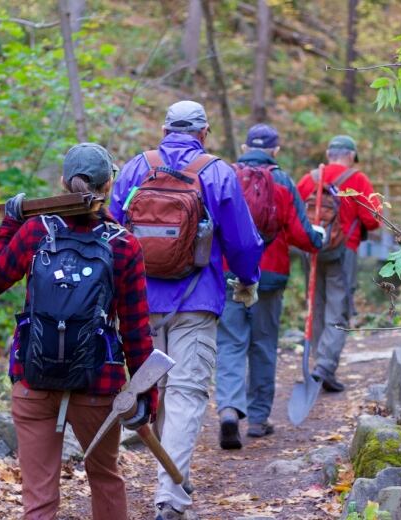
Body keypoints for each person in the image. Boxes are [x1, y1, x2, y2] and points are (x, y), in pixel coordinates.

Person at [0, 143, 158, 520]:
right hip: (97, 383)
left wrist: (10, 222)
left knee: (39, 497)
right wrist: (145, 396)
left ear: (62, 182)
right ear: (109, 186)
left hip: (33, 377)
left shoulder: (33, 232)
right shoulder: (123, 244)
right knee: (105, 478)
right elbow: (137, 329)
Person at [109, 100, 263, 520]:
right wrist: (248, 281)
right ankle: (171, 497)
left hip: (138, 305)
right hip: (197, 301)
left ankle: (172, 477)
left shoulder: (136, 168)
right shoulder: (216, 172)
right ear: (204, 133)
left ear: (164, 129)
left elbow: (110, 232)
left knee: (155, 393)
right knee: (187, 395)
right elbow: (244, 243)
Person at [215, 124, 325, 449]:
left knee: (231, 343)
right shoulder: (283, 181)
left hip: (230, 271)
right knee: (262, 345)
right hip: (270, 275)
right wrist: (319, 239)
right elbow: (302, 234)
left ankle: (228, 411)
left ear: (245, 145)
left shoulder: (226, 176)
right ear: (275, 150)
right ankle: (259, 419)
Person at [296, 135, 381, 392]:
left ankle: (319, 363)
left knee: (317, 306)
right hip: (343, 251)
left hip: (311, 251)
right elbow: (373, 219)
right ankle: (325, 366)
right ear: (352, 155)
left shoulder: (309, 179)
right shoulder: (357, 180)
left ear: (328, 152)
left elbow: (295, 213)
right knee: (339, 307)